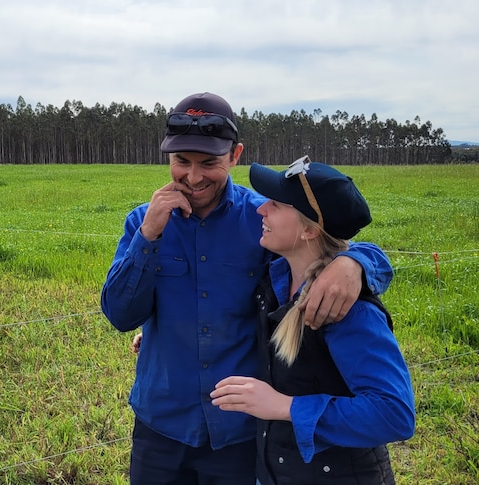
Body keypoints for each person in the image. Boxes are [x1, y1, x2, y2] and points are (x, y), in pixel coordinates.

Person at [100, 92, 393, 485]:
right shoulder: (143, 222)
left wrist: (357, 263)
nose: (193, 176)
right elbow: (119, 314)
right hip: (160, 425)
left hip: (240, 432)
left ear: (235, 155)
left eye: (209, 163)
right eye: (181, 162)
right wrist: (149, 235)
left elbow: (326, 241)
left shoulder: (265, 219)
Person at [210, 157, 415, 484]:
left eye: (275, 204)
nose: (260, 210)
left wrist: (284, 407)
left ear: (308, 230)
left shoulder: (349, 310)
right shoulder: (275, 279)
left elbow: (395, 415)